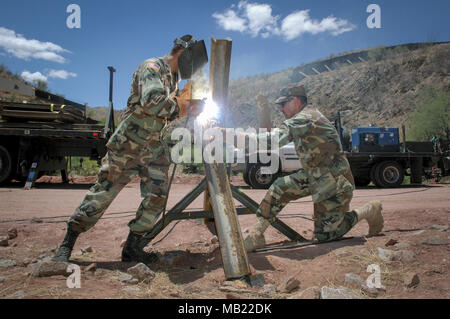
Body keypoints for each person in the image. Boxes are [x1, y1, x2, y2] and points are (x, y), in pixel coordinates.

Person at [53, 35, 207, 263]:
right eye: (193, 63)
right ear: (183, 54)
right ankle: (67, 243)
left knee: (156, 196)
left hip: (153, 146)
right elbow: (153, 102)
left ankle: (133, 247)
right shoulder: (152, 67)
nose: (192, 70)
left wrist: (191, 105)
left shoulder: (173, 81)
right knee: (104, 192)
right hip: (128, 143)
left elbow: (166, 112)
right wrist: (183, 105)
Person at [243, 84, 384, 251]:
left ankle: (369, 210)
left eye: (283, 104)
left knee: (326, 236)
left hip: (335, 183)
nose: (280, 108)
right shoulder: (303, 119)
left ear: (295, 101)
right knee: (280, 187)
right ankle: (257, 235)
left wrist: (229, 136)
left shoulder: (306, 117)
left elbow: (274, 140)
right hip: (317, 176)